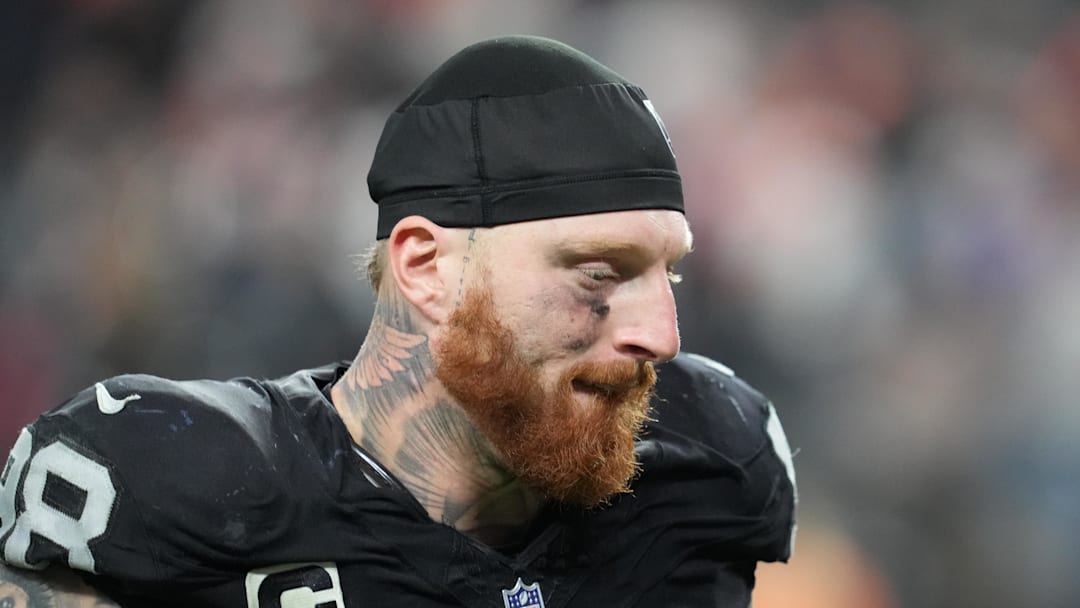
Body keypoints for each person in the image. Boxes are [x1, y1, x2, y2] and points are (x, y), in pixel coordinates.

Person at [0, 36, 796, 607]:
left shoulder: (714, 467)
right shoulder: (169, 485)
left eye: (668, 272)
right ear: (426, 267)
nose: (663, 335)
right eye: (599, 274)